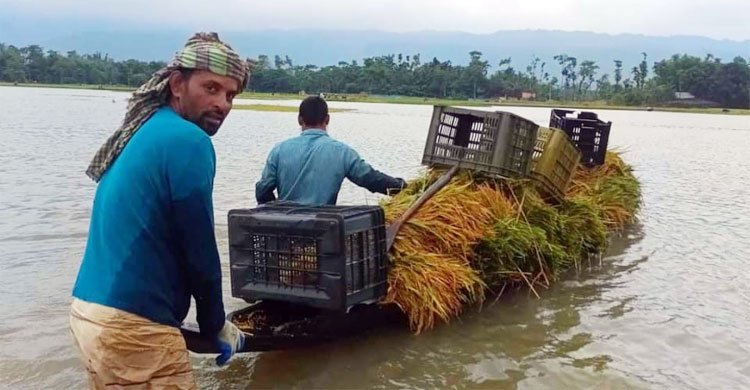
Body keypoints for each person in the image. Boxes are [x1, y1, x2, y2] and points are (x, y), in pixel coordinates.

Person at [69, 32, 249, 389]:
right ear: (177, 84)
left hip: (89, 314)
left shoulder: (145, 132)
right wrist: (215, 324)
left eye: (230, 95)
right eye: (211, 88)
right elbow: (199, 250)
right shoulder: (189, 141)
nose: (223, 104)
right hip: (132, 327)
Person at [255, 96, 406, 205]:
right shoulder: (342, 152)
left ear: (300, 120)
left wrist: (277, 212)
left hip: (285, 228)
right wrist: (404, 188)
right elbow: (372, 179)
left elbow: (263, 190)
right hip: (324, 230)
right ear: (327, 119)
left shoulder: (279, 150)